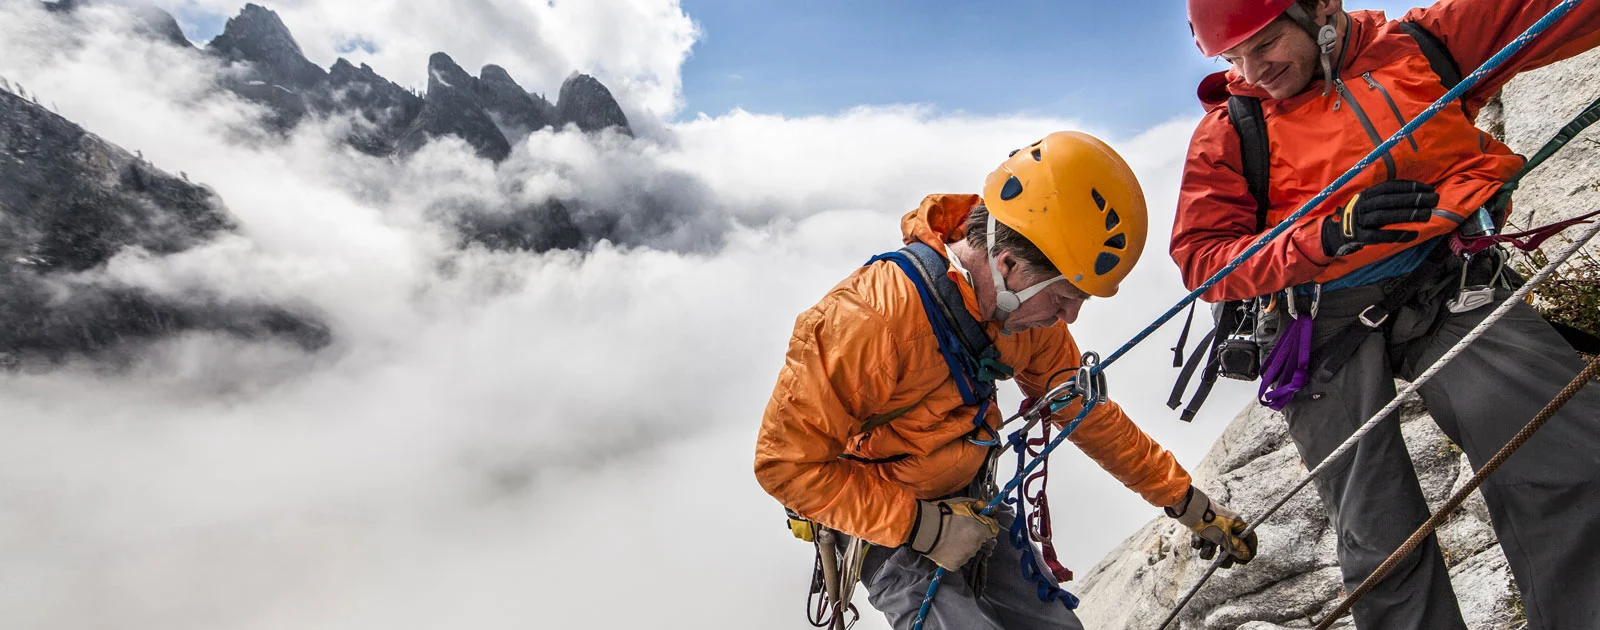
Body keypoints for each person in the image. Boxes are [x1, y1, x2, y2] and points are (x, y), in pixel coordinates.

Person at [1174, 0, 1600, 627]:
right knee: (1380, 542)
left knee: (1573, 458)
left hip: (1445, 286)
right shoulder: (1234, 129)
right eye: (1233, 57)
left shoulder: (1423, 48)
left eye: (1264, 45)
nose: (1252, 69)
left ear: (1321, 8)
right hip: (1320, 328)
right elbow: (1202, 261)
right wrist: (1324, 237)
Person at [756, 131, 1258, 629]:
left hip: (969, 503)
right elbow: (784, 466)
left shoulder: (1023, 319)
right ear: (1010, 264)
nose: (1070, 318)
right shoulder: (867, 321)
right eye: (1063, 298)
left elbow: (1084, 414)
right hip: (881, 523)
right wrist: (922, 527)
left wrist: (1186, 501)